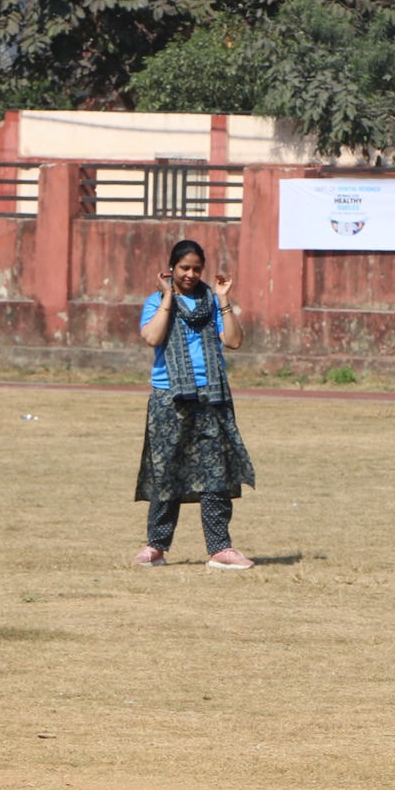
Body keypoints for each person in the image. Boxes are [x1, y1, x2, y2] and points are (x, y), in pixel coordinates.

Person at [134, 239, 257, 569]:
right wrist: (167, 297)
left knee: (215, 473)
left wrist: (224, 298)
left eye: (196, 269)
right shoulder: (155, 301)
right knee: (166, 472)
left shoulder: (212, 301)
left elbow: (233, 341)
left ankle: (220, 549)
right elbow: (152, 337)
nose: (190, 274)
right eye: (184, 268)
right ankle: (156, 547)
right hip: (169, 397)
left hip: (212, 396)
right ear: (171, 268)